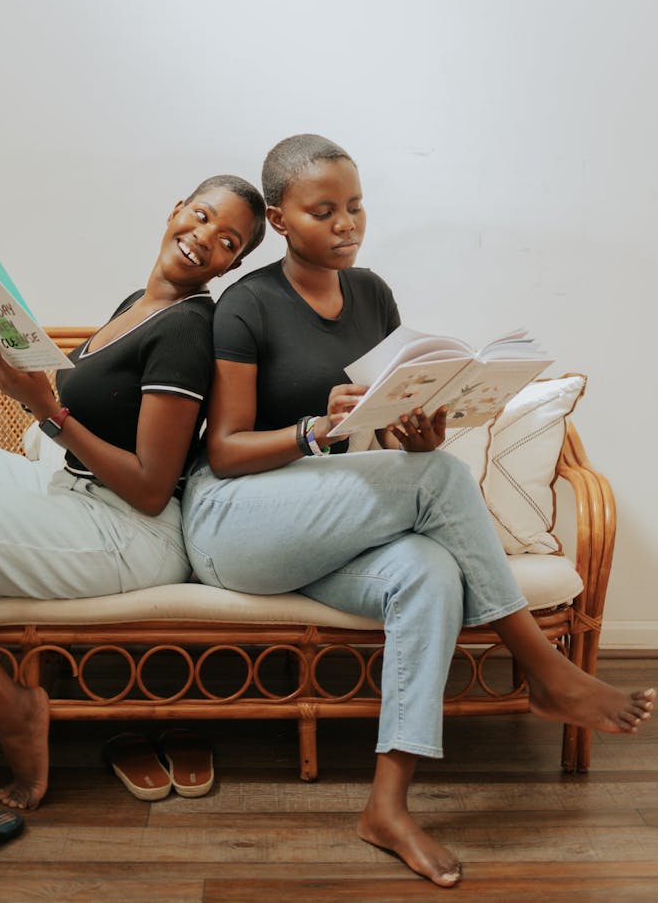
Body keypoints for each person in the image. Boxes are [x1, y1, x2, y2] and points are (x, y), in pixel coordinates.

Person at [181, 135, 655, 889]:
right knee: (432, 480)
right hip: (234, 522)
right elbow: (228, 448)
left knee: (429, 569)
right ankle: (546, 670)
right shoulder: (247, 304)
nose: (347, 223)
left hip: (322, 525)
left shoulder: (372, 294)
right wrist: (315, 428)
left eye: (357, 205)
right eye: (324, 209)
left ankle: (388, 807)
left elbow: (378, 428)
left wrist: (415, 427)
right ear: (278, 218)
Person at [0, 174, 266, 812]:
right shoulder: (139, 301)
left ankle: (13, 711)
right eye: (202, 217)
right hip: (70, 488)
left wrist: (49, 413)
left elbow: (153, 489)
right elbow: (92, 414)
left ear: (234, 262)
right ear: (177, 208)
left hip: (128, 529)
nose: (203, 239)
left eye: (227, 240)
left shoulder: (186, 329)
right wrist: (37, 391)